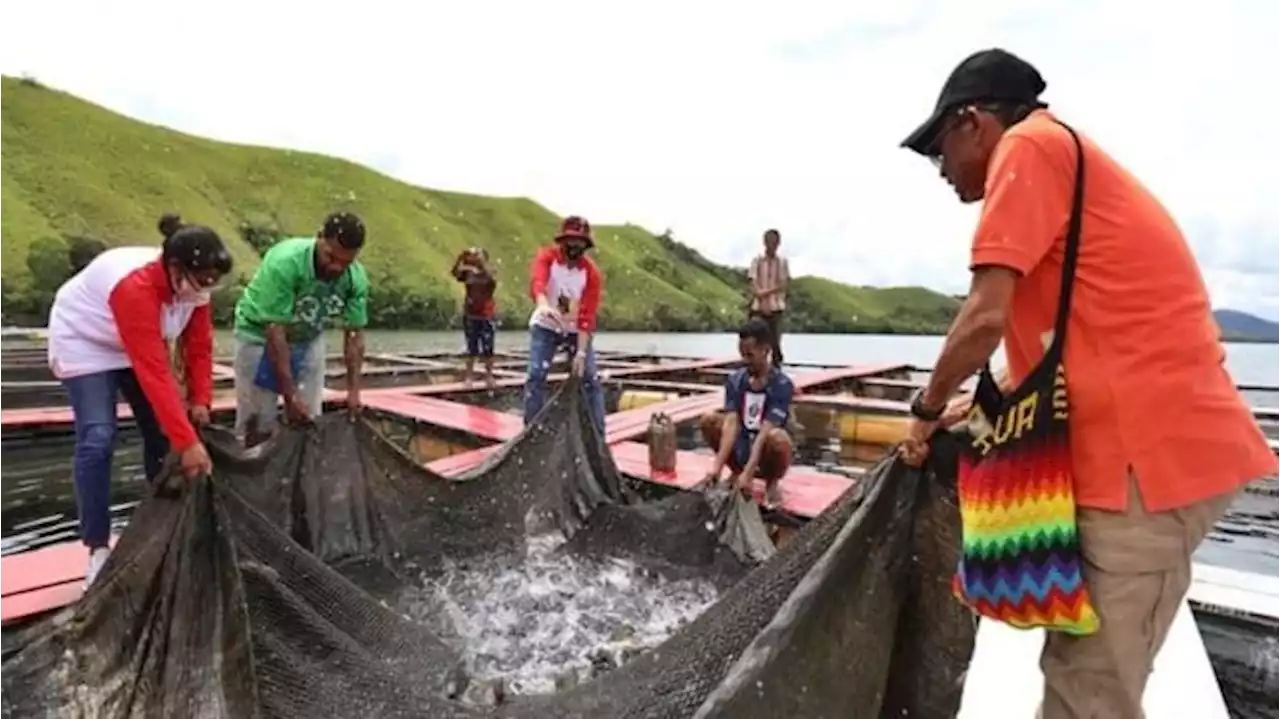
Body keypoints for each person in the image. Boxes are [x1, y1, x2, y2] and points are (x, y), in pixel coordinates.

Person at [897, 48, 1278, 718]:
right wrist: (977, 403)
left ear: (973, 123)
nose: (941, 172)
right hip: (1142, 453)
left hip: (1149, 465)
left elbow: (985, 314)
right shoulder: (1062, 163)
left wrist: (924, 408)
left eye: (938, 152)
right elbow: (1068, 331)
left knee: (1089, 690)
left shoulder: (1030, 149)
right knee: (1079, 670)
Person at [46, 216, 233, 586]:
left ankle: (164, 525)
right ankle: (98, 547)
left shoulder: (196, 288)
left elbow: (199, 348)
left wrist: (201, 400)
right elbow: (154, 373)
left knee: (163, 436)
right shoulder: (135, 288)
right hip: (86, 340)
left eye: (212, 282)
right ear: (175, 268)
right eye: (202, 280)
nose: (205, 289)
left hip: (136, 344)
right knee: (98, 438)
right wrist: (189, 444)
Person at [232, 211, 369, 444]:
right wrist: (288, 395)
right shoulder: (286, 263)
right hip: (259, 335)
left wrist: (353, 392)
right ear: (319, 238)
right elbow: (275, 332)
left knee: (308, 419)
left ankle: (300, 474)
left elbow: (354, 336)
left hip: (308, 337)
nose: (336, 267)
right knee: (258, 421)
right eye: (331, 257)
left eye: (346, 262)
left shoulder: (356, 279)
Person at [700, 317, 795, 509]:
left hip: (765, 448)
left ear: (766, 350)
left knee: (777, 438)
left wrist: (750, 471)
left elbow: (765, 431)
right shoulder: (736, 380)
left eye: (750, 355)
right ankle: (735, 471)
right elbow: (731, 423)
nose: (745, 361)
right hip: (742, 444)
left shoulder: (782, 384)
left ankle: (771, 482)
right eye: (742, 355)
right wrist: (716, 466)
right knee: (709, 419)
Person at [524, 215, 606, 432]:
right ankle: (531, 430)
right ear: (562, 242)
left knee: (589, 378)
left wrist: (580, 353)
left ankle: (597, 433)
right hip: (546, 326)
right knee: (536, 376)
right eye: (571, 242)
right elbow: (538, 282)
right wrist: (542, 304)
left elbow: (587, 315)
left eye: (580, 244)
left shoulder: (591, 274)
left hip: (574, 330)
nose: (574, 248)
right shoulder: (547, 258)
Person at [452, 247, 498, 390]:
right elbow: (455, 273)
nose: (475, 257)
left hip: (486, 315)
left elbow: (491, 280)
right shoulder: (469, 273)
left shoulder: (489, 273)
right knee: (471, 347)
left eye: (478, 255)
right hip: (470, 314)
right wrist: (460, 258)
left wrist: (481, 264)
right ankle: (469, 376)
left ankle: (489, 375)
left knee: (488, 347)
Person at [747, 228, 789, 369]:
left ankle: (777, 375)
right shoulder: (757, 260)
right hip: (758, 308)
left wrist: (763, 293)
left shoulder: (782, 262)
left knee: (775, 343)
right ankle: (755, 373)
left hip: (775, 307)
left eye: (775, 242)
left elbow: (783, 285)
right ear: (764, 242)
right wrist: (762, 294)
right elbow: (752, 284)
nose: (772, 245)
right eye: (769, 241)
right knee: (754, 342)